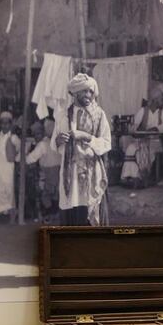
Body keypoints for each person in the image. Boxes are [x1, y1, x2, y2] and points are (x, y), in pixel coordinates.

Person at [51, 74, 111, 226]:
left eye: (91, 91)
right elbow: (54, 144)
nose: (89, 95)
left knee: (89, 213)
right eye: (85, 91)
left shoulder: (99, 114)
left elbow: (106, 143)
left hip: (91, 174)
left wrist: (85, 136)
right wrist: (58, 141)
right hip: (69, 173)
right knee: (70, 211)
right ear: (75, 93)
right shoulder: (63, 115)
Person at [120, 87, 163, 186]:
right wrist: (136, 130)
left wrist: (154, 129)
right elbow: (133, 125)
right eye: (161, 100)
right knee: (131, 149)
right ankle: (128, 176)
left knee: (145, 152)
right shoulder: (143, 111)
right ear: (155, 100)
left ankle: (140, 176)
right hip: (142, 140)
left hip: (155, 142)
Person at [26, 118, 61, 219]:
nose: (37, 136)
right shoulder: (56, 142)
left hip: (49, 171)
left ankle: (49, 213)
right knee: (55, 193)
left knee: (46, 194)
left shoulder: (43, 144)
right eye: (35, 134)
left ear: (44, 132)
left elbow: (30, 159)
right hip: (58, 170)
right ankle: (54, 213)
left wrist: (25, 156)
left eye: (38, 133)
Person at [0, 111, 21, 217]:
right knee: (0, 189)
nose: (4, 125)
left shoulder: (14, 137)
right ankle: (3, 211)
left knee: (9, 189)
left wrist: (15, 158)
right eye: (2, 123)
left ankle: (11, 213)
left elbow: (21, 150)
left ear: (10, 124)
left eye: (7, 123)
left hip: (9, 168)